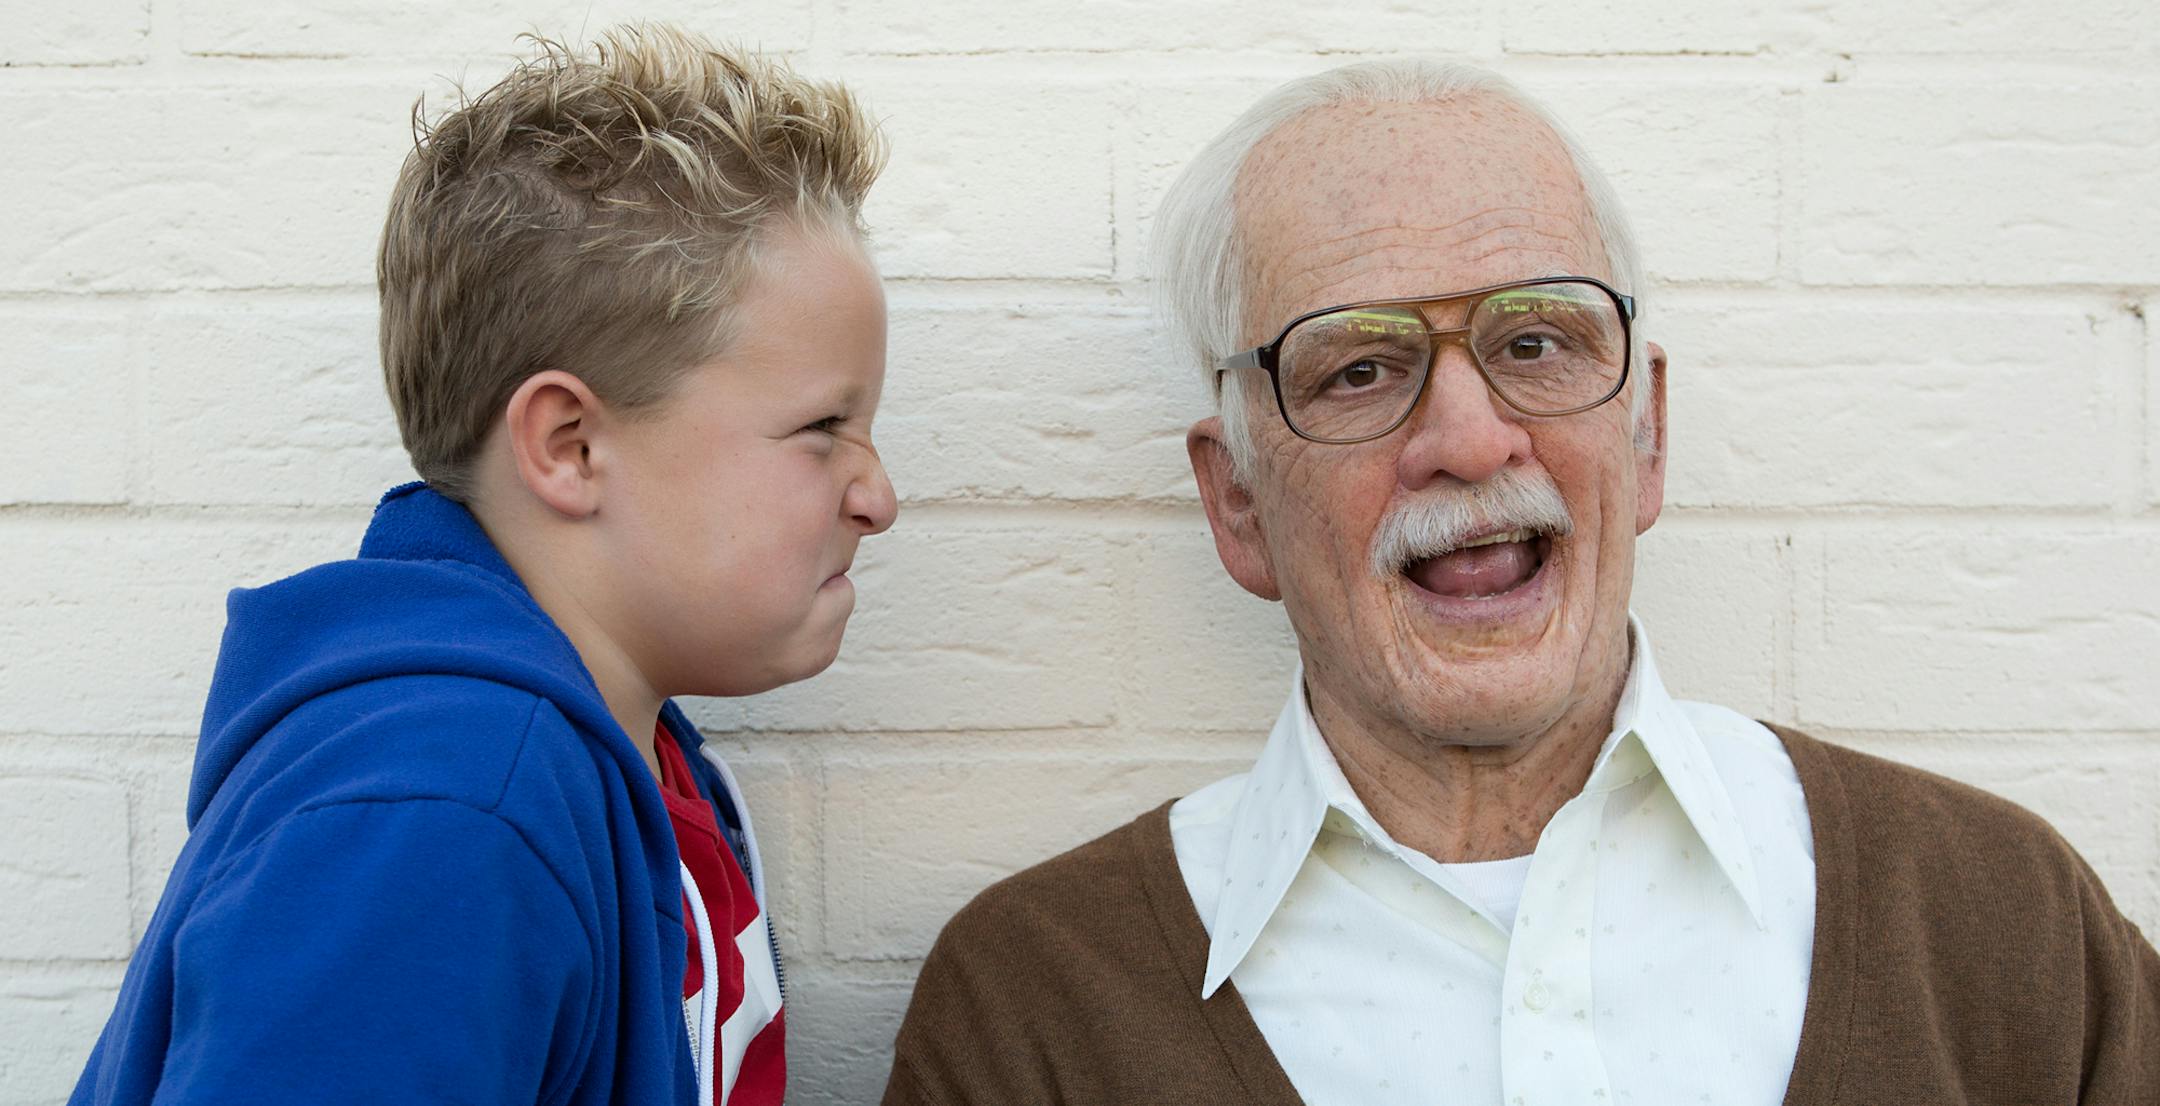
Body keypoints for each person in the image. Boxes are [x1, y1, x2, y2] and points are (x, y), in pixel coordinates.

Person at [882, 59, 2158, 1105]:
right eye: (1358, 370)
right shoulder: (1035, 1018)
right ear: (1239, 504)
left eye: (1536, 340)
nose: (1472, 439)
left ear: (1646, 433)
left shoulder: (2004, 929)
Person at [69, 25, 894, 1106]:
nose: (877, 495)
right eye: (825, 426)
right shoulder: (447, 807)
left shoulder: (613, 762)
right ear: (569, 446)